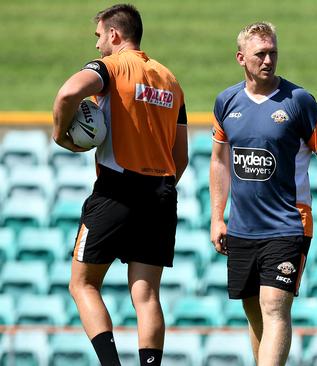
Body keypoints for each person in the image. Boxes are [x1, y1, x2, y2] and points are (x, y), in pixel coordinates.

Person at [209, 21, 317, 366]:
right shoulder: (226, 101)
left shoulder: (299, 101)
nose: (268, 60)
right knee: (254, 312)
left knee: (274, 307)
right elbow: (219, 161)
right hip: (242, 227)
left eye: (273, 53)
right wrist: (216, 216)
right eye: (260, 54)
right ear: (240, 58)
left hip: (288, 223)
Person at [52, 4, 187, 365]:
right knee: (146, 295)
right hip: (161, 192)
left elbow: (68, 94)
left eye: (99, 36)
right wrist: (158, 185)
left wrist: (59, 135)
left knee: (82, 284)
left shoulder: (108, 68)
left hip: (117, 189)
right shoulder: (171, 80)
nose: (97, 45)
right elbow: (182, 157)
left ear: (114, 34)